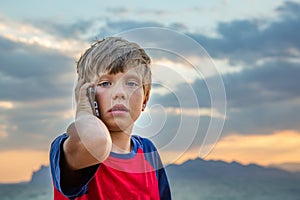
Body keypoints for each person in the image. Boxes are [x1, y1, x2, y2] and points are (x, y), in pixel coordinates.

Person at [49, 37, 171, 199]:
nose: (119, 93)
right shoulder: (70, 147)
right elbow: (96, 141)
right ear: (85, 92)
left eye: (132, 83)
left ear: (145, 99)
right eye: (105, 83)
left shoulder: (148, 152)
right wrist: (85, 110)